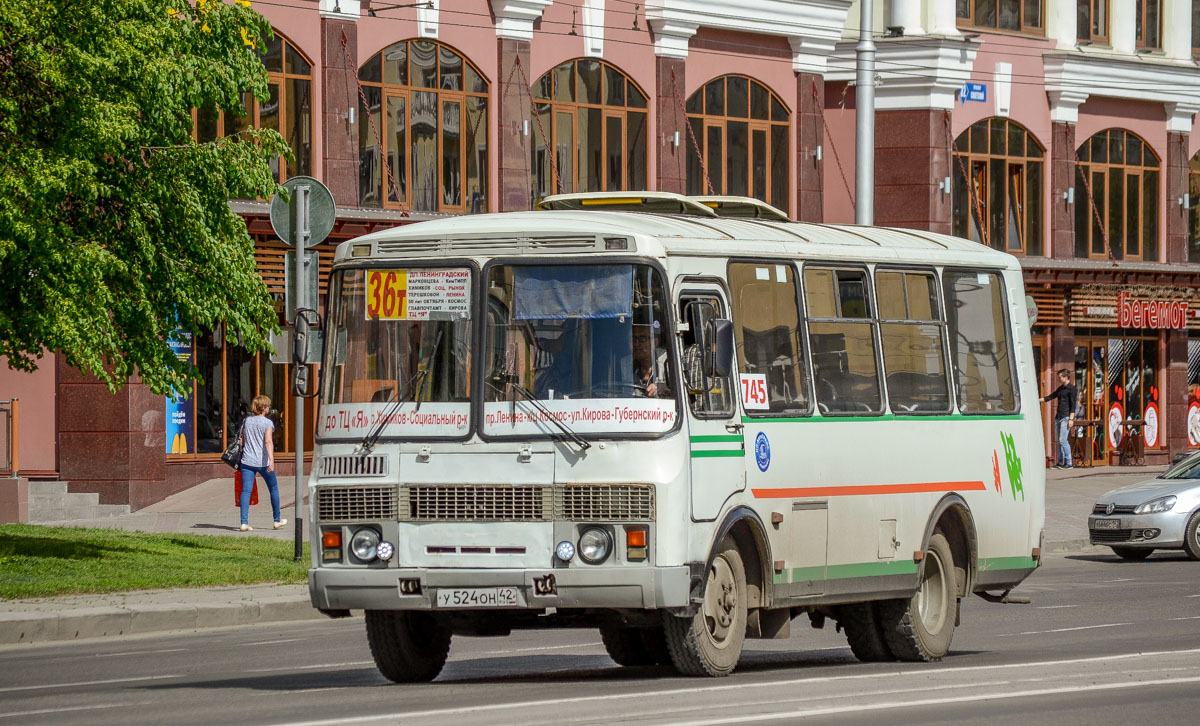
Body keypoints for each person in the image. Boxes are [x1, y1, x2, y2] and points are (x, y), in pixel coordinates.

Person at [238, 395, 286, 532]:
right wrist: (272, 460)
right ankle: (277, 520)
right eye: (268, 406)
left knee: (246, 491)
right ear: (263, 408)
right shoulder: (267, 423)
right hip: (263, 462)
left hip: (247, 461)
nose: (269, 408)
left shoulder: (246, 421)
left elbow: (242, 440)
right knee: (273, 489)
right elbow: (268, 442)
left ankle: (244, 523)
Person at [1042, 369, 1078, 469]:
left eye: (1061, 377)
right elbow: (1052, 396)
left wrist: (1071, 419)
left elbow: (1073, 405)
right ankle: (1061, 462)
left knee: (1063, 440)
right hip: (1059, 416)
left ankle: (1069, 462)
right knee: (1059, 440)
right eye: (1058, 377)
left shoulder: (1072, 389)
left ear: (1066, 377)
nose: (1059, 378)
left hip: (1066, 417)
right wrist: (1040, 400)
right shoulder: (1061, 389)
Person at [633, 324, 671, 398]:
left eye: (642, 339)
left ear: (655, 343)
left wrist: (666, 389)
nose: (636, 344)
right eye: (633, 339)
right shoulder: (624, 365)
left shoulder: (669, 362)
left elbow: (684, 395)